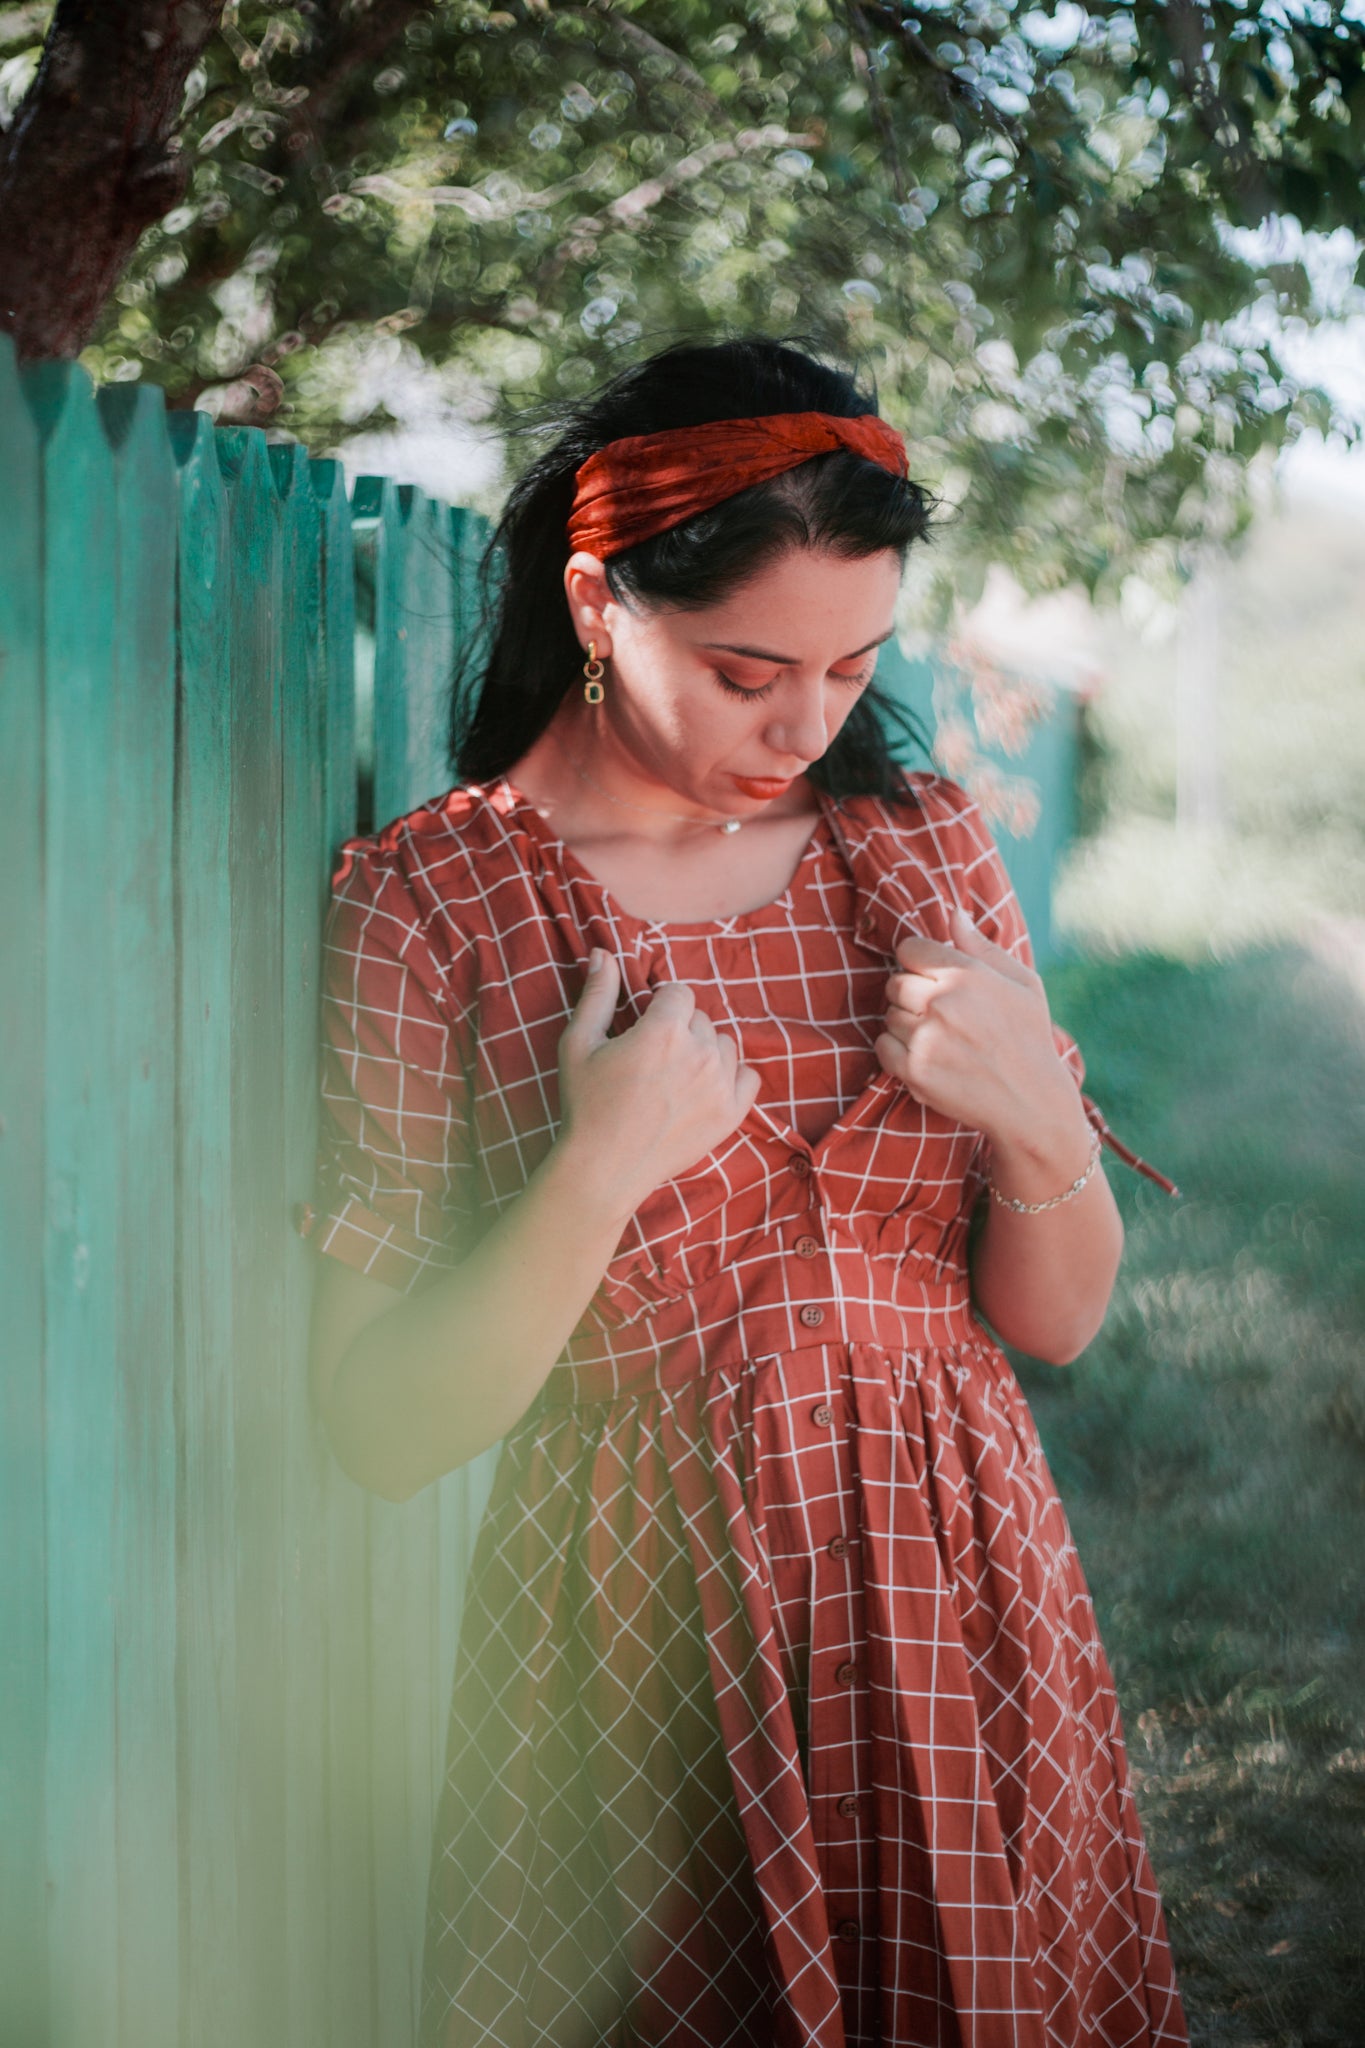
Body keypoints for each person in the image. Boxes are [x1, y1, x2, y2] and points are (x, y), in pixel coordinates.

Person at [306, 336, 1189, 2047]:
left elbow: (1057, 1317)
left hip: (960, 1587)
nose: (803, 727)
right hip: (631, 1651)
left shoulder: (917, 844)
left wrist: (1033, 1120)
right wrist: (593, 1174)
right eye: (743, 669)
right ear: (592, 598)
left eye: (853, 669)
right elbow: (378, 1429)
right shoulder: (430, 905)